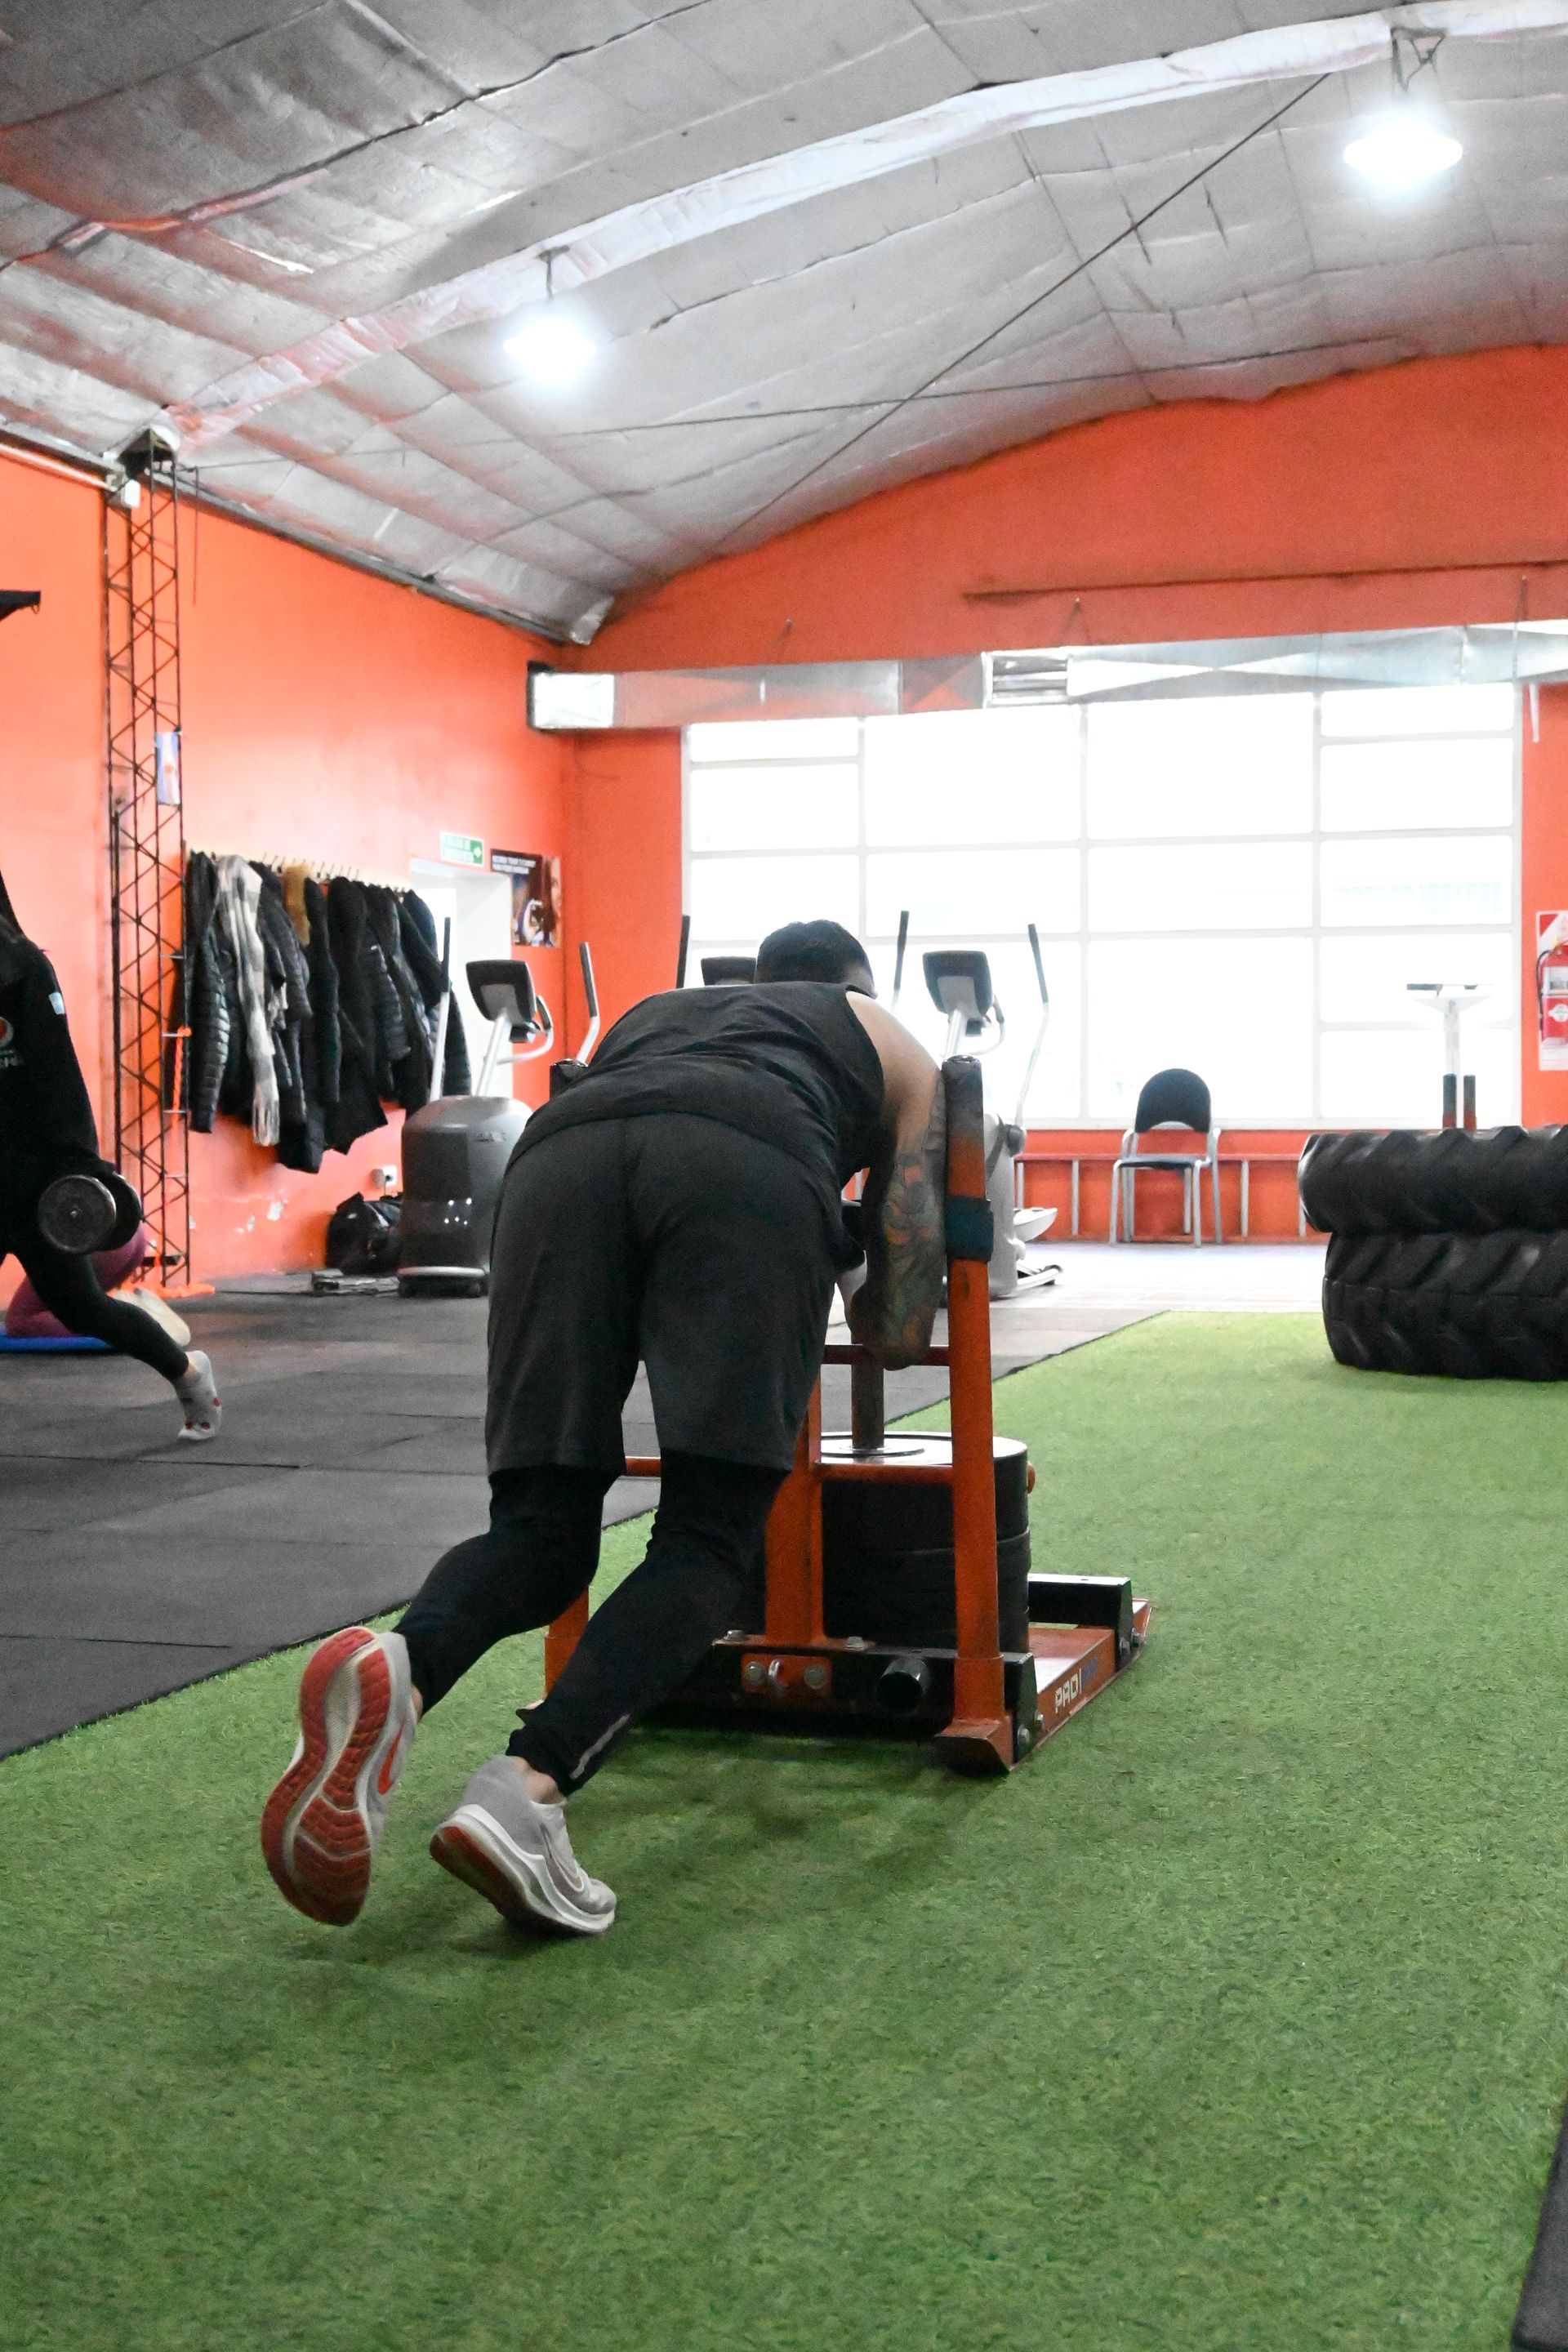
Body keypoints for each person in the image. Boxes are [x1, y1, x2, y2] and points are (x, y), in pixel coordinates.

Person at [261, 918, 946, 1939]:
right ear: (862, 987)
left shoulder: (657, 1013)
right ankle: (526, 1793)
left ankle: (403, 1669)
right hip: (747, 1159)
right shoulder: (893, 1043)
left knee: (540, 1531)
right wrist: (844, 1249)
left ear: (755, 984)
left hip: (554, 1159)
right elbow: (897, 1331)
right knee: (708, 1535)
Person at [0, 901, 220, 1440]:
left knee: (83, 1310)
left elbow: (59, 1076)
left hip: (34, 1183)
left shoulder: (23, 969)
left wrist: (80, 1167)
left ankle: (189, 1374)